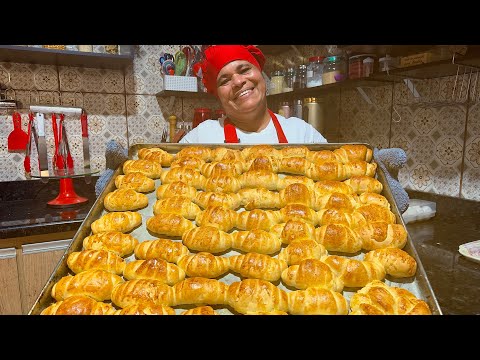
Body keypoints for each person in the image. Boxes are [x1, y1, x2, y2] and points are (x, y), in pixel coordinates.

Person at [179, 45, 328, 144]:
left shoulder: (302, 134)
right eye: (225, 80)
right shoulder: (202, 137)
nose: (237, 81)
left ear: (261, 75)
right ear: (218, 95)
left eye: (244, 70)